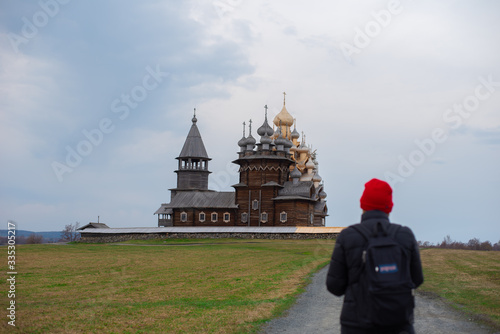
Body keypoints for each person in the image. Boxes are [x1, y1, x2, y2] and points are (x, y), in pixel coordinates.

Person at [326, 178, 424, 334]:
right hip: (398, 323)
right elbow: (416, 279)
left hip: (357, 324)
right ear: (389, 207)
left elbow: (334, 286)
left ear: (363, 205)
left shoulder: (348, 236)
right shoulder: (405, 235)